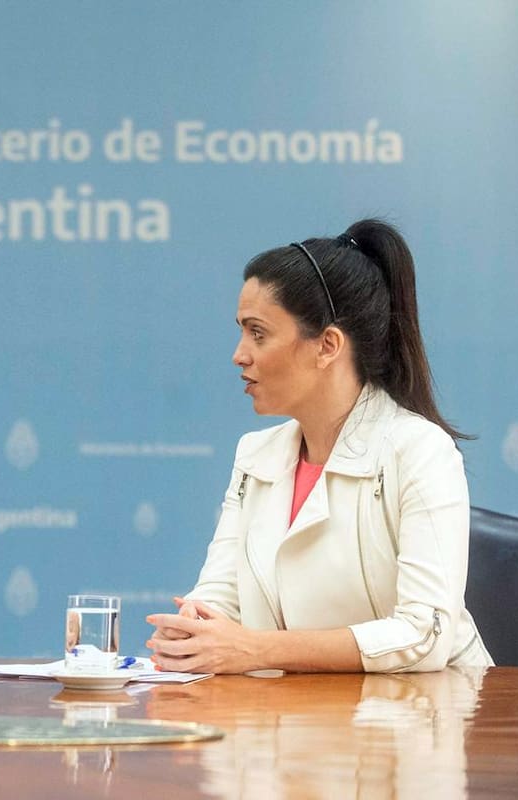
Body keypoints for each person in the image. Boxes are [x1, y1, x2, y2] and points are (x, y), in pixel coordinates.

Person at [146, 219, 492, 673]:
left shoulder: (420, 450)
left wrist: (257, 649)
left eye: (258, 333)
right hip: (296, 708)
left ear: (327, 345)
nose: (239, 354)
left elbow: (424, 634)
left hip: (426, 707)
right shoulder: (254, 455)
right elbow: (222, 594)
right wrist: (194, 627)